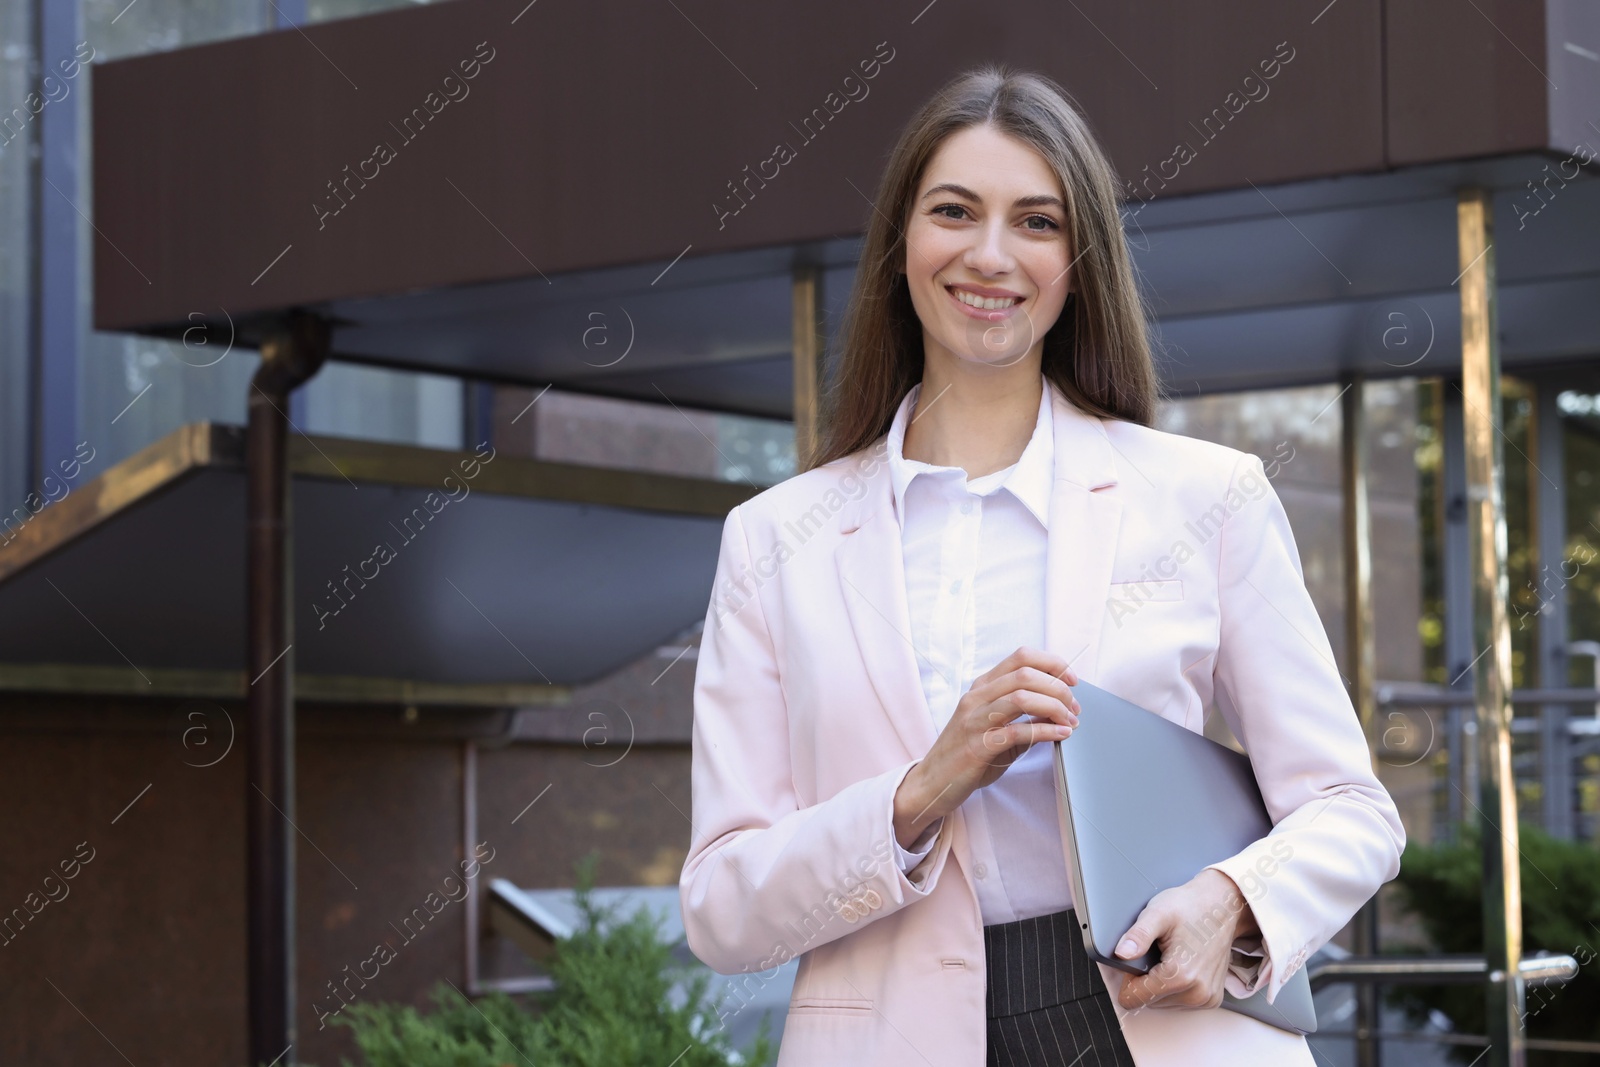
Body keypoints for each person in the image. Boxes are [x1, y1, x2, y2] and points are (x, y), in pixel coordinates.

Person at [678, 63, 1405, 1067]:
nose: (989, 253)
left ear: (1079, 261)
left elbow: (1351, 809)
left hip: (1156, 1018)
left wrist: (1231, 900)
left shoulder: (1206, 496)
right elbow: (721, 907)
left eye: (1036, 221)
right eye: (953, 211)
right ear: (899, 244)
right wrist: (916, 792)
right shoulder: (775, 537)